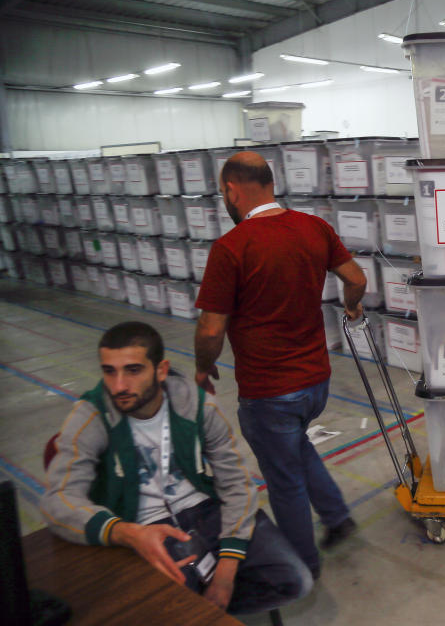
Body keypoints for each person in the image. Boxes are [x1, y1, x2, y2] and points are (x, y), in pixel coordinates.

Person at [42, 321, 311, 615]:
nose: (118, 385)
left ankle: (207, 610)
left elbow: (236, 483)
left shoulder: (197, 407)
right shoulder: (91, 414)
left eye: (133, 370)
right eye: (109, 371)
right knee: (169, 609)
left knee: (295, 581)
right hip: (142, 527)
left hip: (206, 511)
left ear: (160, 370)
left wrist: (225, 574)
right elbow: (59, 499)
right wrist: (125, 533)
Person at [194, 152, 367, 579]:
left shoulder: (231, 248)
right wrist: (352, 307)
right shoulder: (314, 227)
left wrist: (202, 368)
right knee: (295, 446)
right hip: (316, 382)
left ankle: (301, 567)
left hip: (269, 390)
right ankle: (337, 516)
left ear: (232, 190)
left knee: (283, 477)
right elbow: (357, 279)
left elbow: (211, 331)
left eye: (223, 193)